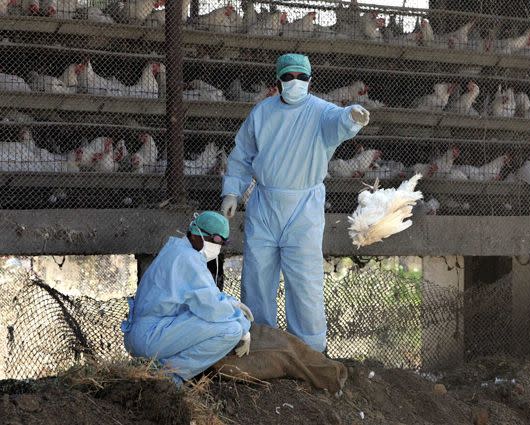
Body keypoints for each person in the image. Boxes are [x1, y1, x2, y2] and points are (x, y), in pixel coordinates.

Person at [220, 53, 370, 353]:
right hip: (264, 204)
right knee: (257, 277)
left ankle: (310, 352)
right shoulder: (262, 113)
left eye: (301, 77)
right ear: (278, 81)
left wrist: (353, 114)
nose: (295, 82)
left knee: (305, 281)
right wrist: (231, 192)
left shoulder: (320, 112)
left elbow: (339, 121)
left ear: (310, 81)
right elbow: (241, 155)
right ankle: (259, 347)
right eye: (288, 77)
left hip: (304, 208)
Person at [121, 211, 253, 386]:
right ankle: (167, 377)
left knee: (229, 322)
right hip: (151, 336)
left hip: (148, 331)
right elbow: (211, 308)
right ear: (197, 234)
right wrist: (244, 328)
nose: (217, 247)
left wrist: (230, 302)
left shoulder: (178, 249)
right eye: (214, 241)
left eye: (222, 242)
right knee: (232, 330)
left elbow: (202, 297)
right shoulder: (188, 259)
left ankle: (160, 371)